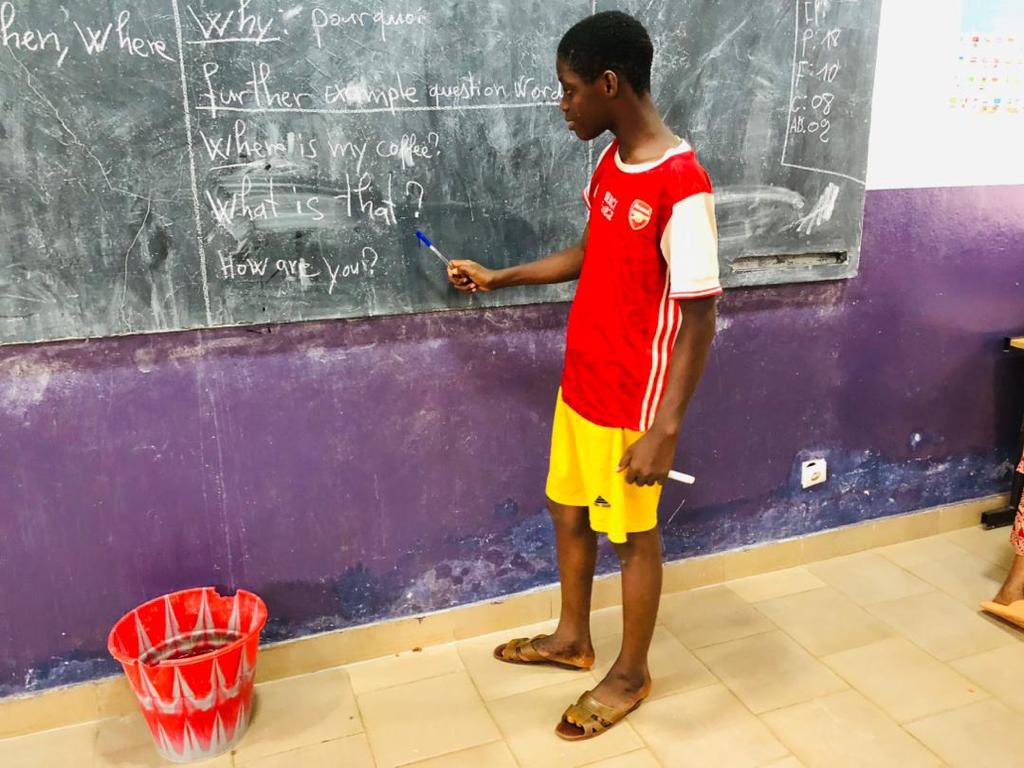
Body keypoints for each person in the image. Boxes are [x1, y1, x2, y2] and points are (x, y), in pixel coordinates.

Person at [447, 11, 721, 740]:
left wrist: (665, 429)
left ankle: (630, 673)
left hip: (634, 403)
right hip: (584, 387)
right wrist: (502, 276)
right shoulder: (610, 163)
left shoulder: (681, 185)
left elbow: (699, 319)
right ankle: (573, 640)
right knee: (568, 513)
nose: (562, 104)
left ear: (609, 84)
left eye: (569, 90)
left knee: (632, 539)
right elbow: (593, 253)